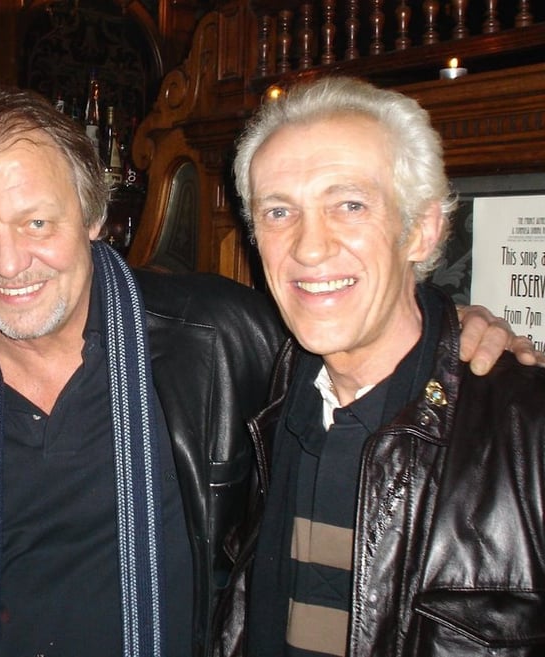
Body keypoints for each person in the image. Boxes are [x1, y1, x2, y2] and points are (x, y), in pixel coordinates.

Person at [0, 86, 537, 657]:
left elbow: (383, 342)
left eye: (36, 221)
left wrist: (457, 333)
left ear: (93, 215)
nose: (7, 261)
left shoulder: (221, 339)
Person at [224, 75, 545, 657]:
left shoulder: (526, 434)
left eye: (349, 205)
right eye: (279, 211)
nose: (309, 247)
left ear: (421, 230)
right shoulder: (260, 402)